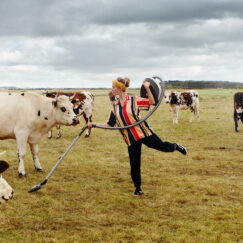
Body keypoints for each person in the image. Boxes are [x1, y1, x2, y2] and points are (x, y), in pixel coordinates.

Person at [88, 77, 187, 196]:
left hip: (143, 132)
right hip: (130, 138)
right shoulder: (114, 107)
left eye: (113, 87)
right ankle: (138, 188)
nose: (112, 89)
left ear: (120, 88)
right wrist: (93, 124)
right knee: (134, 164)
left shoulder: (134, 100)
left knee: (160, 146)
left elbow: (152, 102)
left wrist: (147, 88)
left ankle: (175, 146)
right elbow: (109, 124)